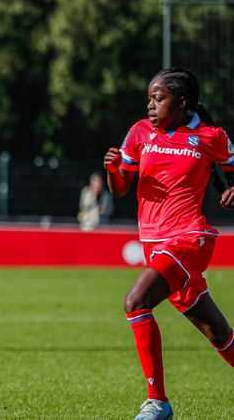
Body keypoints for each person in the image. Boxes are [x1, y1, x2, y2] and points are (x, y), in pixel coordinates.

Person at [104, 68, 234, 420]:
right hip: (154, 247)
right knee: (218, 332)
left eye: (158, 99)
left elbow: (233, 166)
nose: (150, 105)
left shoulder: (209, 137)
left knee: (136, 302)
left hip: (188, 241)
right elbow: (121, 188)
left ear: (183, 103)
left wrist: (232, 185)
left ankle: (157, 402)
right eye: (149, 98)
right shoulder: (140, 132)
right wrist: (112, 171)